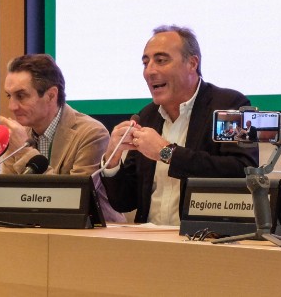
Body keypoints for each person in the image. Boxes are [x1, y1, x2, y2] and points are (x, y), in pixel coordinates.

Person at [100, 25, 258, 226]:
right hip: (149, 241)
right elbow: (125, 201)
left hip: (207, 238)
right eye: (145, 63)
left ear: (192, 63)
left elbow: (243, 171)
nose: (150, 71)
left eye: (161, 60)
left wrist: (166, 153)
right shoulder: (146, 116)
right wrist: (112, 160)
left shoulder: (232, 105)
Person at [0, 54, 125, 222]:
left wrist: (25, 152)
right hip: (36, 233)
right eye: (9, 96)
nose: (11, 106)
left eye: (21, 96)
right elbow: (7, 200)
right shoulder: (20, 134)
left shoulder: (92, 133)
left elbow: (73, 202)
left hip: (93, 238)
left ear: (51, 95)